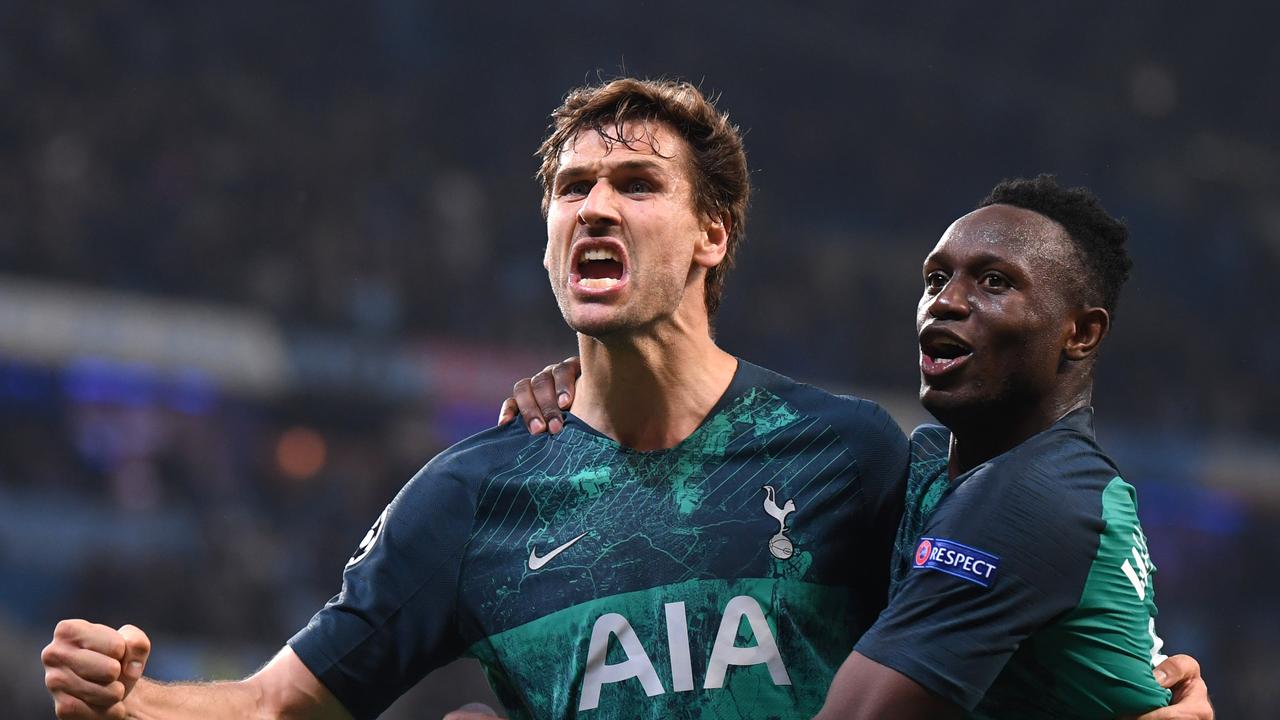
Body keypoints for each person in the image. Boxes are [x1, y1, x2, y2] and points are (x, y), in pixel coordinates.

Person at [41, 79, 913, 719]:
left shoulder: (848, 453)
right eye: (573, 188)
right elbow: (277, 705)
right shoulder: (472, 495)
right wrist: (132, 702)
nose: (595, 207)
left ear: (711, 236)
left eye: (637, 185)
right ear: (546, 243)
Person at [501, 178, 1214, 719]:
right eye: (936, 278)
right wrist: (599, 385)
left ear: (1080, 333)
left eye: (995, 282)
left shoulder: (1033, 498)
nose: (947, 301)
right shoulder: (939, 465)